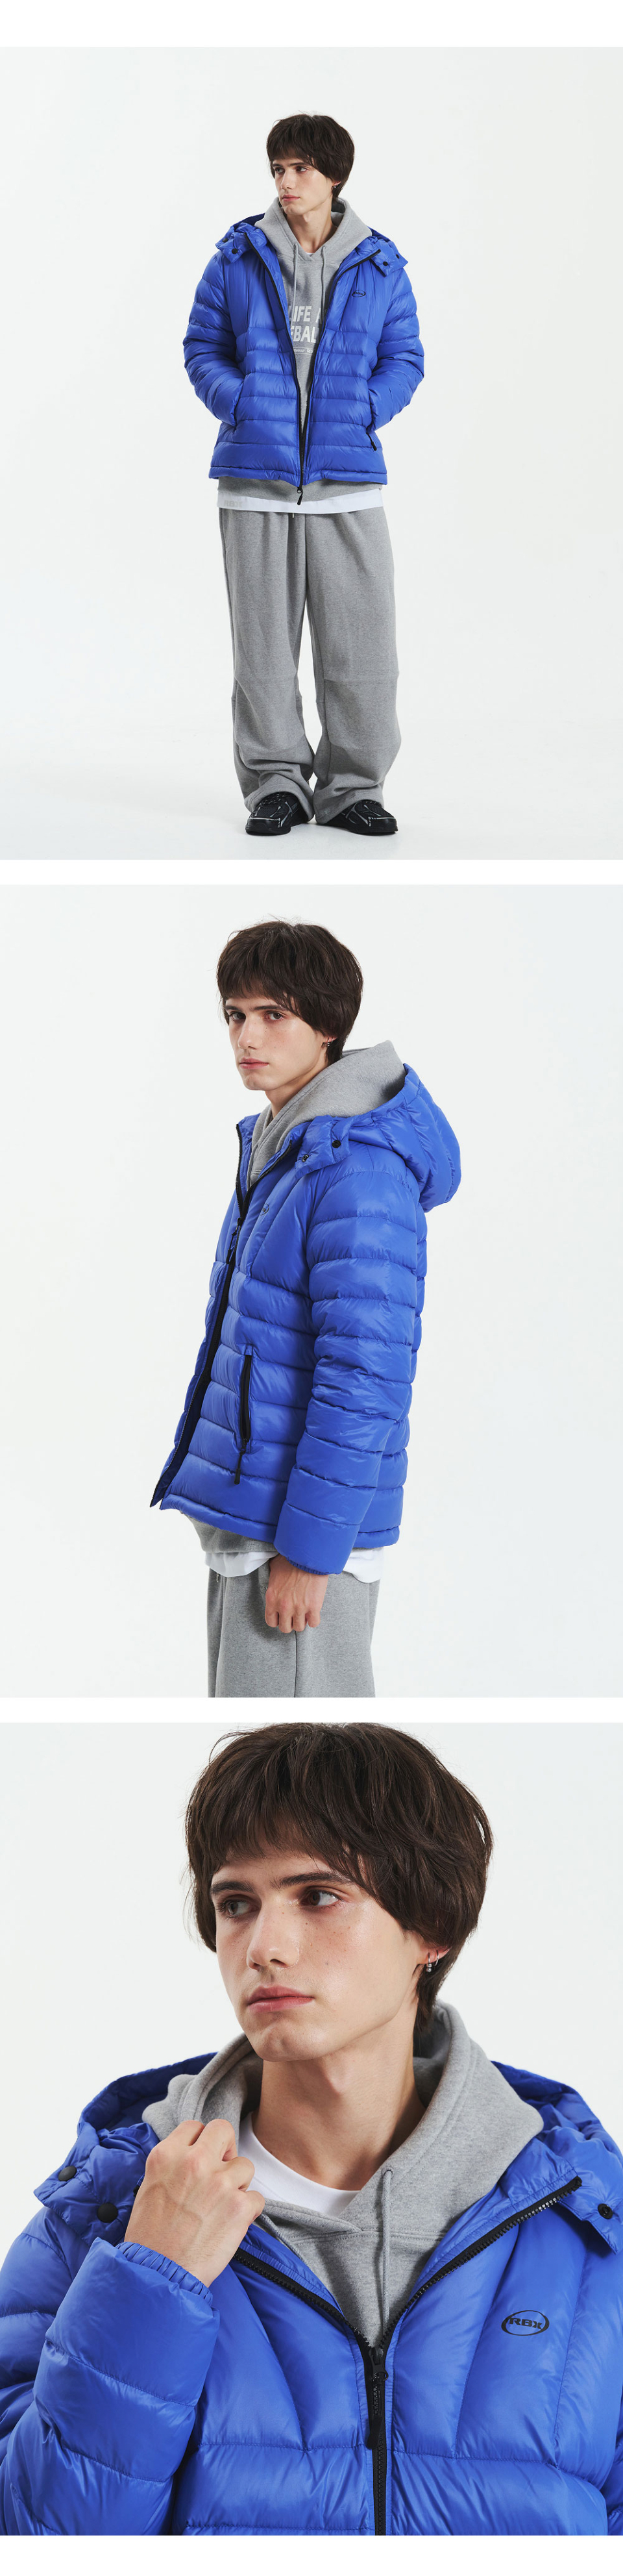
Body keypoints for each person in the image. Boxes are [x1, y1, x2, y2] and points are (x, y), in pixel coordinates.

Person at [1, 1719, 621, 2538]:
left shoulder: (588, 2229)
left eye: (318, 1896)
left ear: (430, 1928)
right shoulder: (100, 2218)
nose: (264, 1946)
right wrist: (151, 2281)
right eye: (236, 1904)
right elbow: (39, 2537)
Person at [150, 918, 461, 1698]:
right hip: (256, 1520)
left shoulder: (355, 1169)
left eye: (273, 1013)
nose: (246, 1036)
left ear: (327, 1025)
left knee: (297, 1744)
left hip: (295, 1539)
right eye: (235, 1014)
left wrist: (311, 1552)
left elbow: (366, 1376)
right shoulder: (287, 1144)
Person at [184, 112, 424, 836]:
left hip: (346, 483)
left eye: (301, 169)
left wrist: (364, 411)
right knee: (262, 654)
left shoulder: (380, 265)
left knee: (364, 650)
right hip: (255, 480)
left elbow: (405, 357)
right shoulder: (238, 256)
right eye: (278, 170)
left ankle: (353, 788)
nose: (286, 182)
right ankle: (276, 785)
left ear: (335, 177)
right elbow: (202, 345)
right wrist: (241, 403)